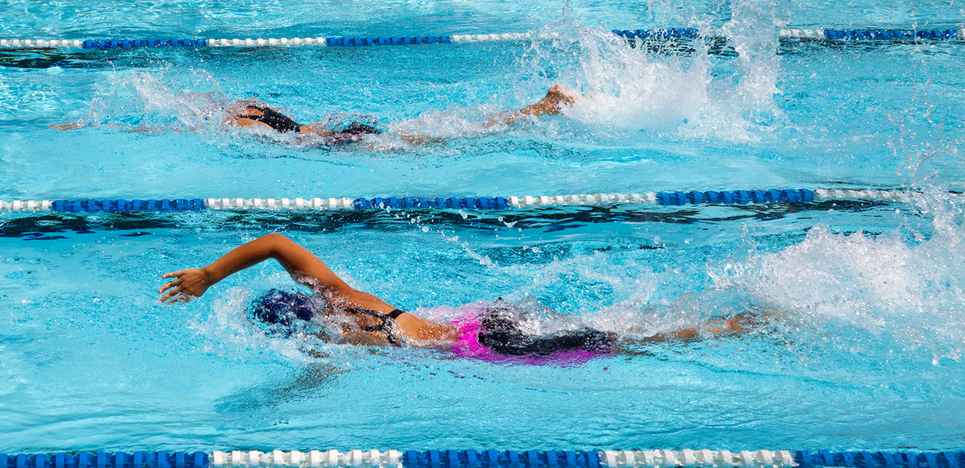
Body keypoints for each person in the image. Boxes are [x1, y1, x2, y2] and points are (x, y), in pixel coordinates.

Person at [159, 234, 764, 361]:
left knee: (636, 343)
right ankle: (729, 317)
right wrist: (209, 275)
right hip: (485, 319)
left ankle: (741, 326)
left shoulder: (332, 340)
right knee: (624, 325)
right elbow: (275, 241)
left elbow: (318, 376)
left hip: (491, 344)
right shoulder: (340, 296)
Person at [224, 85, 579, 143]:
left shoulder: (238, 123)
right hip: (343, 132)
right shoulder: (247, 106)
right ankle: (540, 107)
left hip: (344, 143)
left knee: (451, 137)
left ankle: (543, 108)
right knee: (452, 130)